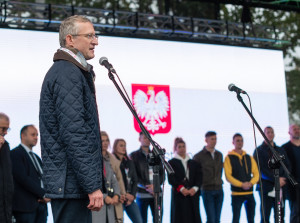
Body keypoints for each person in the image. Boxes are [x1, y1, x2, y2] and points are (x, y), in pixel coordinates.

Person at [39, 15, 104, 223]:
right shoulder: (67, 72)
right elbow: (74, 134)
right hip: (71, 185)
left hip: (72, 184)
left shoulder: (72, 71)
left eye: (95, 35)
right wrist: (92, 185)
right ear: (70, 39)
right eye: (89, 36)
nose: (96, 41)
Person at [10, 125, 50, 223]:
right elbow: (23, 178)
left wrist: (47, 194)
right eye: (33, 135)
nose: (36, 137)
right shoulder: (15, 154)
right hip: (25, 207)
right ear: (23, 136)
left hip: (41, 206)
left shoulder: (36, 157)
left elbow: (43, 177)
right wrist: (43, 194)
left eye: (37, 135)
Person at [253, 126, 290, 223]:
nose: (270, 134)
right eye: (267, 132)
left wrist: (283, 178)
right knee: (265, 216)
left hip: (281, 187)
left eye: (271, 132)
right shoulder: (258, 151)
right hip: (266, 188)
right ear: (264, 134)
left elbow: (287, 166)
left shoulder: (280, 150)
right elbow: (260, 170)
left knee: (280, 216)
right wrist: (275, 179)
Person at [130, 132, 165, 223]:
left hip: (157, 193)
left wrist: (155, 186)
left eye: (149, 138)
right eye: (145, 137)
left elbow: (162, 173)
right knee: (142, 220)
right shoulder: (134, 156)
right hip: (142, 193)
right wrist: (147, 187)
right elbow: (134, 175)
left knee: (158, 220)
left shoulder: (156, 154)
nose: (147, 140)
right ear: (139, 139)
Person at [224, 133, 259, 223]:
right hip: (236, 194)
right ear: (233, 142)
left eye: (241, 140)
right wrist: (241, 184)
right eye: (237, 141)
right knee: (236, 219)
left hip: (249, 193)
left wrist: (251, 183)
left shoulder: (249, 157)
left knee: (251, 219)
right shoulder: (229, 158)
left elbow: (256, 174)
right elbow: (228, 176)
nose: (240, 142)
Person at [92, 131, 126, 223]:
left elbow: (114, 180)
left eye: (107, 140)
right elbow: (91, 183)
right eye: (102, 141)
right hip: (98, 204)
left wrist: (117, 195)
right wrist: (104, 197)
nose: (105, 143)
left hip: (110, 204)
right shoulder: (92, 159)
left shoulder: (108, 160)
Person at [168, 137, 202, 223]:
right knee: (180, 217)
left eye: (183, 146)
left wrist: (195, 188)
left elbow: (199, 177)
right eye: (179, 147)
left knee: (193, 216)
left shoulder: (193, 162)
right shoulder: (172, 162)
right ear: (175, 148)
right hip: (179, 195)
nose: (182, 148)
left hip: (192, 194)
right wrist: (182, 189)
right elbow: (171, 179)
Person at [193, 131, 223, 223]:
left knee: (217, 219)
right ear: (206, 140)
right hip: (207, 189)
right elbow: (196, 174)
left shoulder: (219, 154)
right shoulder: (198, 156)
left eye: (215, 139)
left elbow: (220, 171)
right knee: (211, 218)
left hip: (219, 188)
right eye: (212, 139)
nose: (214, 141)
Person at [112, 138, 143, 223]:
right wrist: (122, 194)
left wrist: (132, 196)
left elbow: (135, 180)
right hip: (118, 198)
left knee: (139, 221)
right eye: (121, 145)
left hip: (129, 198)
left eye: (125, 145)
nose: (124, 147)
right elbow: (112, 181)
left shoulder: (129, 162)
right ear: (115, 147)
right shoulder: (111, 162)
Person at [282, 124, 300, 223]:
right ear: (289, 132)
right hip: (293, 185)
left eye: (298, 129)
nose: (297, 130)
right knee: (295, 212)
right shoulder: (285, 148)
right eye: (294, 129)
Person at [0, 112, 13, 223]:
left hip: (5, 207)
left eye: (7, 129)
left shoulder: (6, 146)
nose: (5, 133)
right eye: (3, 129)